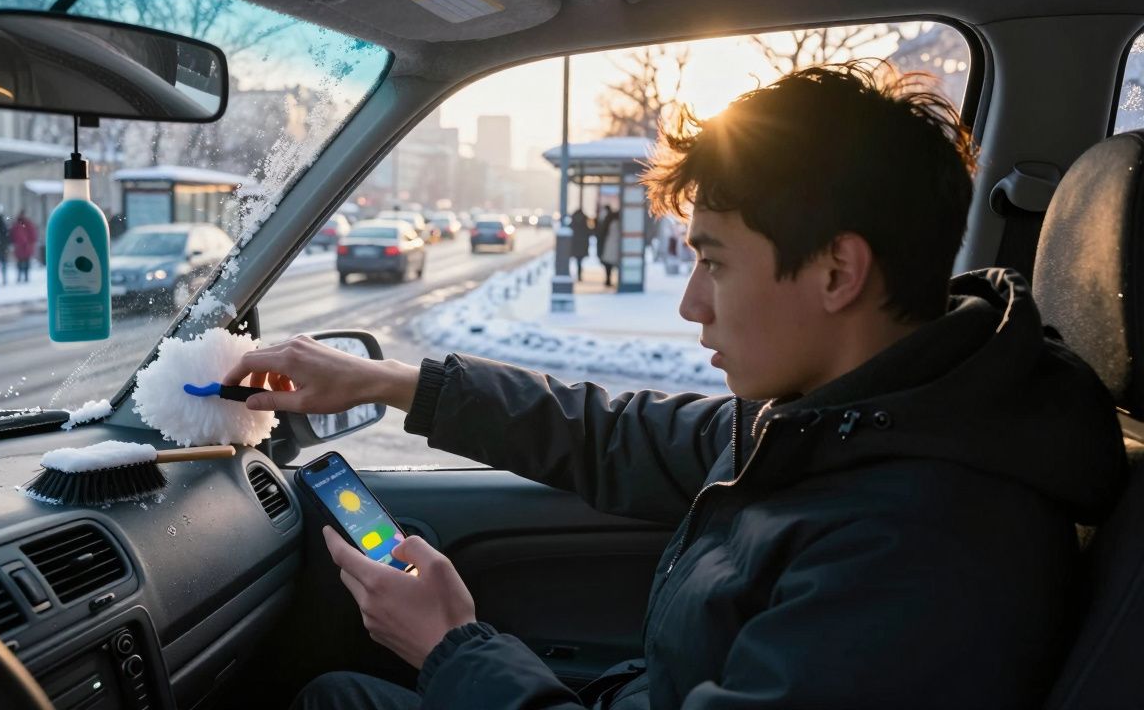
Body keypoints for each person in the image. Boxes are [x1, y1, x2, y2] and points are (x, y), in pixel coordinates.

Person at [226, 62, 1126, 710]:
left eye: (716, 263)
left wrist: (454, 648)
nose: (692, 304)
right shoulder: (846, 418)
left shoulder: (922, 555)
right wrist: (381, 380)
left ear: (837, 272)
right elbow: (611, 433)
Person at [9, 210, 38, 284]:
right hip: (23, 246)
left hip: (23, 246)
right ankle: (23, 276)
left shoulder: (18, 224)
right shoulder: (24, 224)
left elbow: (12, 235)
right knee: (23, 262)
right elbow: (32, 234)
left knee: (23, 262)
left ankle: (24, 276)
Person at [598, 206, 620, 287]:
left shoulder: (608, 221)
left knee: (608, 264)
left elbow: (602, 233)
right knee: (617, 264)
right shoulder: (620, 222)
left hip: (609, 244)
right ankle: (617, 280)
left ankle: (608, 279)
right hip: (617, 245)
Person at [568, 208, 590, 279]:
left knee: (573, 259)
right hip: (583, 243)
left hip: (575, 243)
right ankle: (579, 273)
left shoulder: (573, 220)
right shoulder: (585, 220)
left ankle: (570, 272)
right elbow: (589, 231)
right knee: (580, 260)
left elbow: (569, 229)